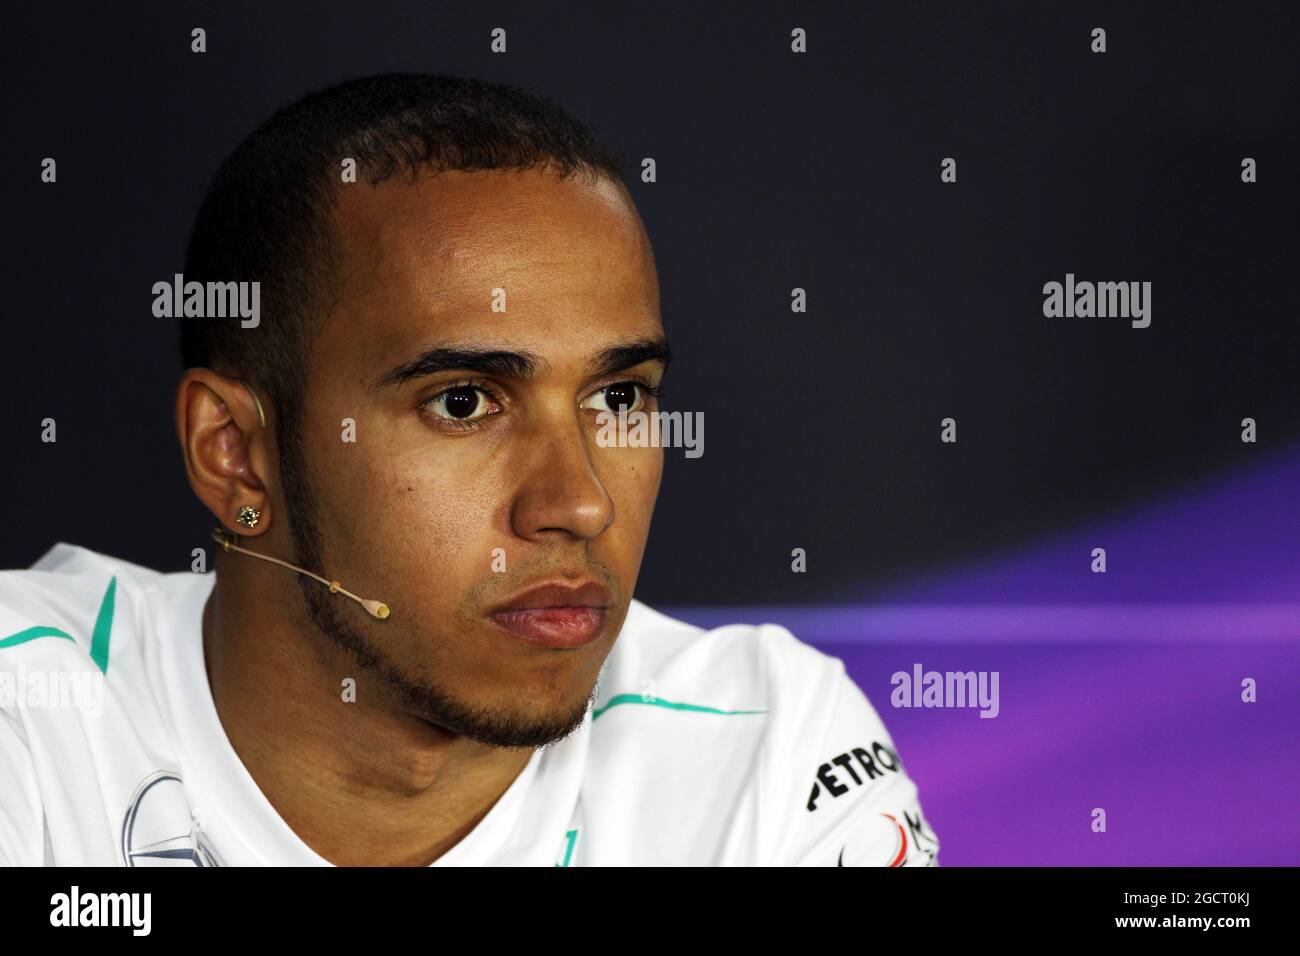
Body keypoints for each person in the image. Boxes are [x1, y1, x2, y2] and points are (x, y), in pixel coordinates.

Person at [0, 73, 939, 866]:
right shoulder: (30, 720)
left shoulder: (767, 749)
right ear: (236, 454)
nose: (579, 503)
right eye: (462, 402)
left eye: (619, 397)